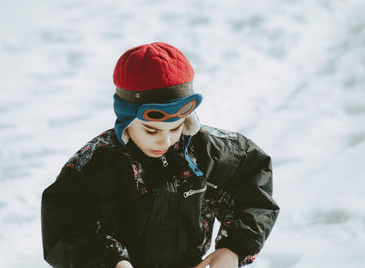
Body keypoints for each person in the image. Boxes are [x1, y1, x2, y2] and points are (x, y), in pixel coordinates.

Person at [41, 42, 279, 268]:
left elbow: (253, 187)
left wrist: (233, 249)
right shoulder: (97, 164)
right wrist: (110, 262)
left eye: (175, 128)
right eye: (151, 130)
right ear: (126, 121)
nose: (165, 141)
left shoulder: (207, 151)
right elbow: (65, 224)